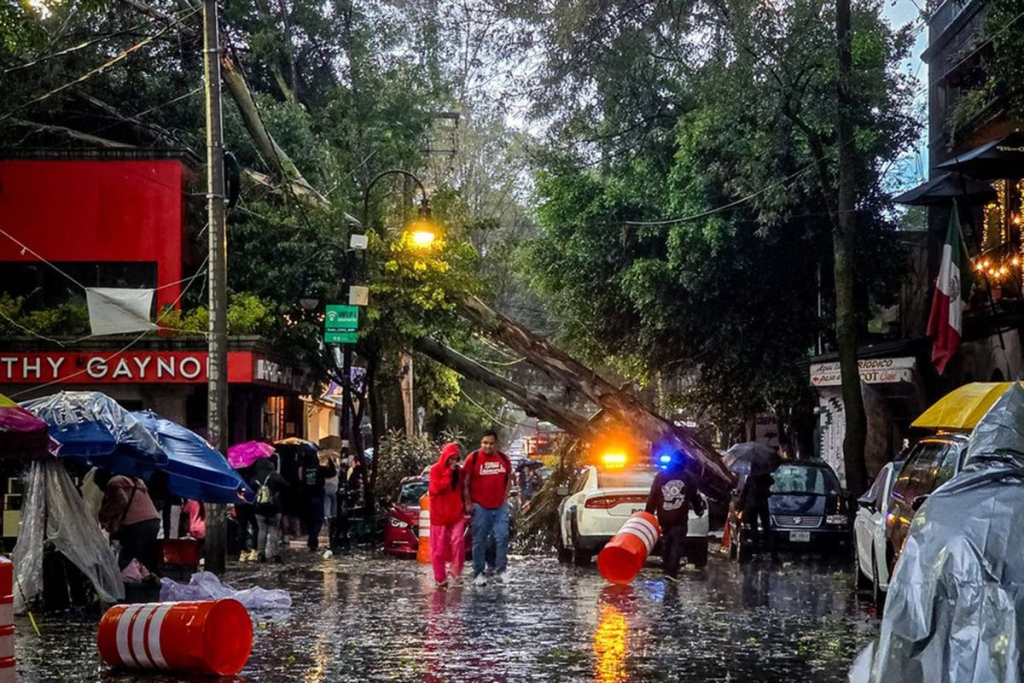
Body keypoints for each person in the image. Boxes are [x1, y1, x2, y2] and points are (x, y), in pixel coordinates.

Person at [645, 450, 705, 581]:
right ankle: (671, 571)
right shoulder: (687, 477)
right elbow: (695, 496)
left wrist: (648, 514)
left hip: (663, 516)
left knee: (666, 540)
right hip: (679, 517)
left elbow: (653, 497)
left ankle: (667, 566)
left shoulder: (661, 476)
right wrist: (699, 510)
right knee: (676, 543)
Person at [462, 430, 512, 586]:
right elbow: (465, 482)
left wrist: (505, 498)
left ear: (496, 444)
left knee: (502, 537)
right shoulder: (473, 458)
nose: (488, 446)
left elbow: (509, 479)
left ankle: (501, 570)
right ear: (481, 443)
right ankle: (479, 572)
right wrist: (468, 502)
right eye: (485, 443)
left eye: (491, 443)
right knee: (479, 540)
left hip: (500, 506)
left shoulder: (504, 459)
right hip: (480, 506)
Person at [96, 470, 162, 574]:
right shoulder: (136, 481)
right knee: (145, 558)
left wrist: (104, 512)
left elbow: (122, 501)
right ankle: (148, 582)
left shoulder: (114, 482)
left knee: (129, 559)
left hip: (135, 524)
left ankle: (129, 584)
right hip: (153, 521)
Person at [429, 443, 466, 588]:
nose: (453, 462)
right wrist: (448, 474)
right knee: (438, 549)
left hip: (456, 514)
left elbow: (464, 489)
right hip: (439, 516)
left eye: (456, 459)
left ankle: (456, 572)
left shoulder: (460, 473)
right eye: (451, 459)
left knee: (458, 543)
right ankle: (440, 577)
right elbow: (436, 489)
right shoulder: (435, 470)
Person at [249, 455, 289, 563]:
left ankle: (260, 553)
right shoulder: (274, 476)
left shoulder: (255, 478)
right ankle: (275, 554)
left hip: (259, 508)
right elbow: (286, 486)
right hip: (274, 507)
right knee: (273, 530)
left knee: (262, 530)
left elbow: (250, 490)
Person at [300, 447, 337, 552]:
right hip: (318, 497)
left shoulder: (304, 470)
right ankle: (312, 540)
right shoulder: (320, 469)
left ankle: (313, 541)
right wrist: (330, 460)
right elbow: (332, 472)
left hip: (307, 498)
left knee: (310, 520)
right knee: (318, 520)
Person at [738, 468, 775, 553]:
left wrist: (740, 506)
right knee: (766, 525)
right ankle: (766, 546)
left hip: (752, 504)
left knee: (753, 526)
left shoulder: (751, 477)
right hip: (762, 504)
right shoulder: (765, 476)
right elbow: (772, 482)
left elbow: (745, 491)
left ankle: (756, 548)